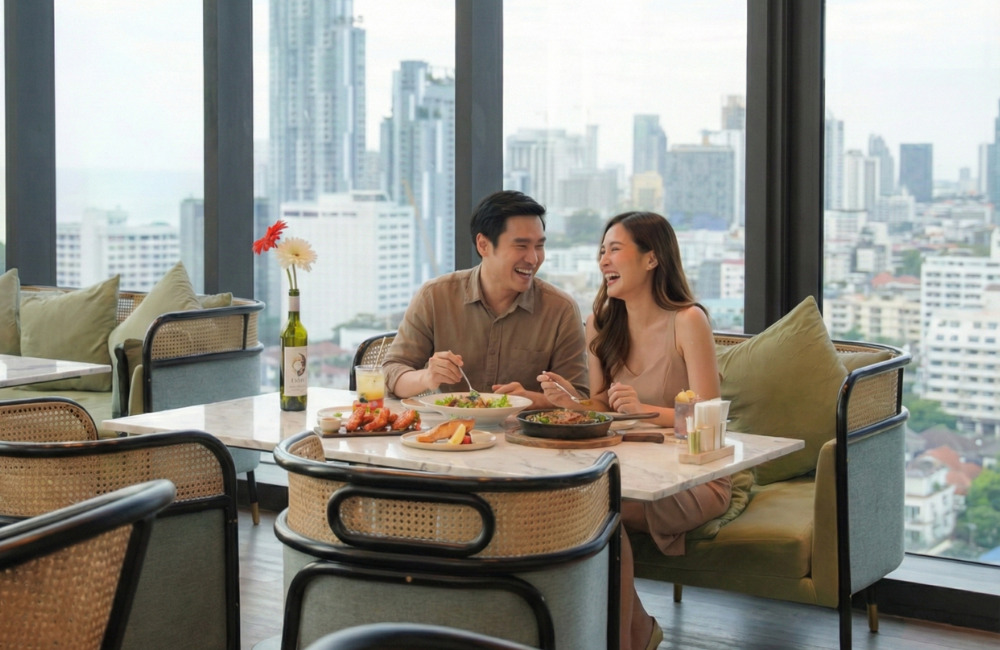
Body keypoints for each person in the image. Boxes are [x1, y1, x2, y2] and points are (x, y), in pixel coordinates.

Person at [538, 211, 731, 650]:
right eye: (601, 251)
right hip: (633, 470)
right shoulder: (601, 323)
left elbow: (709, 417)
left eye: (615, 249)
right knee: (584, 506)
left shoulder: (688, 320)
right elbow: (602, 405)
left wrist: (646, 411)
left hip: (694, 477)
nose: (603, 260)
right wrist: (572, 404)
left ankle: (627, 640)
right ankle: (635, 632)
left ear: (651, 258)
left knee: (595, 511)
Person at [382, 190, 589, 408]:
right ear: (483, 245)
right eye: (521, 246)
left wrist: (529, 400)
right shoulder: (435, 296)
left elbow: (580, 399)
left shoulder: (561, 309)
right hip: (450, 428)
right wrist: (427, 377)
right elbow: (391, 373)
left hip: (523, 429)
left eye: (539, 246)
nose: (533, 258)